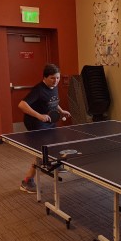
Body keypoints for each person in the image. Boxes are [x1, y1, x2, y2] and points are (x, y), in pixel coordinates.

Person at [18, 63, 71, 193]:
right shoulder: (39, 90)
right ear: (45, 77)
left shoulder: (54, 86)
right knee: (42, 151)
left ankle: (53, 164)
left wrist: (61, 110)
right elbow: (22, 105)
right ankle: (27, 181)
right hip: (35, 122)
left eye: (58, 77)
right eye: (53, 78)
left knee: (57, 140)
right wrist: (39, 116)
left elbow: (53, 102)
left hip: (48, 120)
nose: (56, 80)